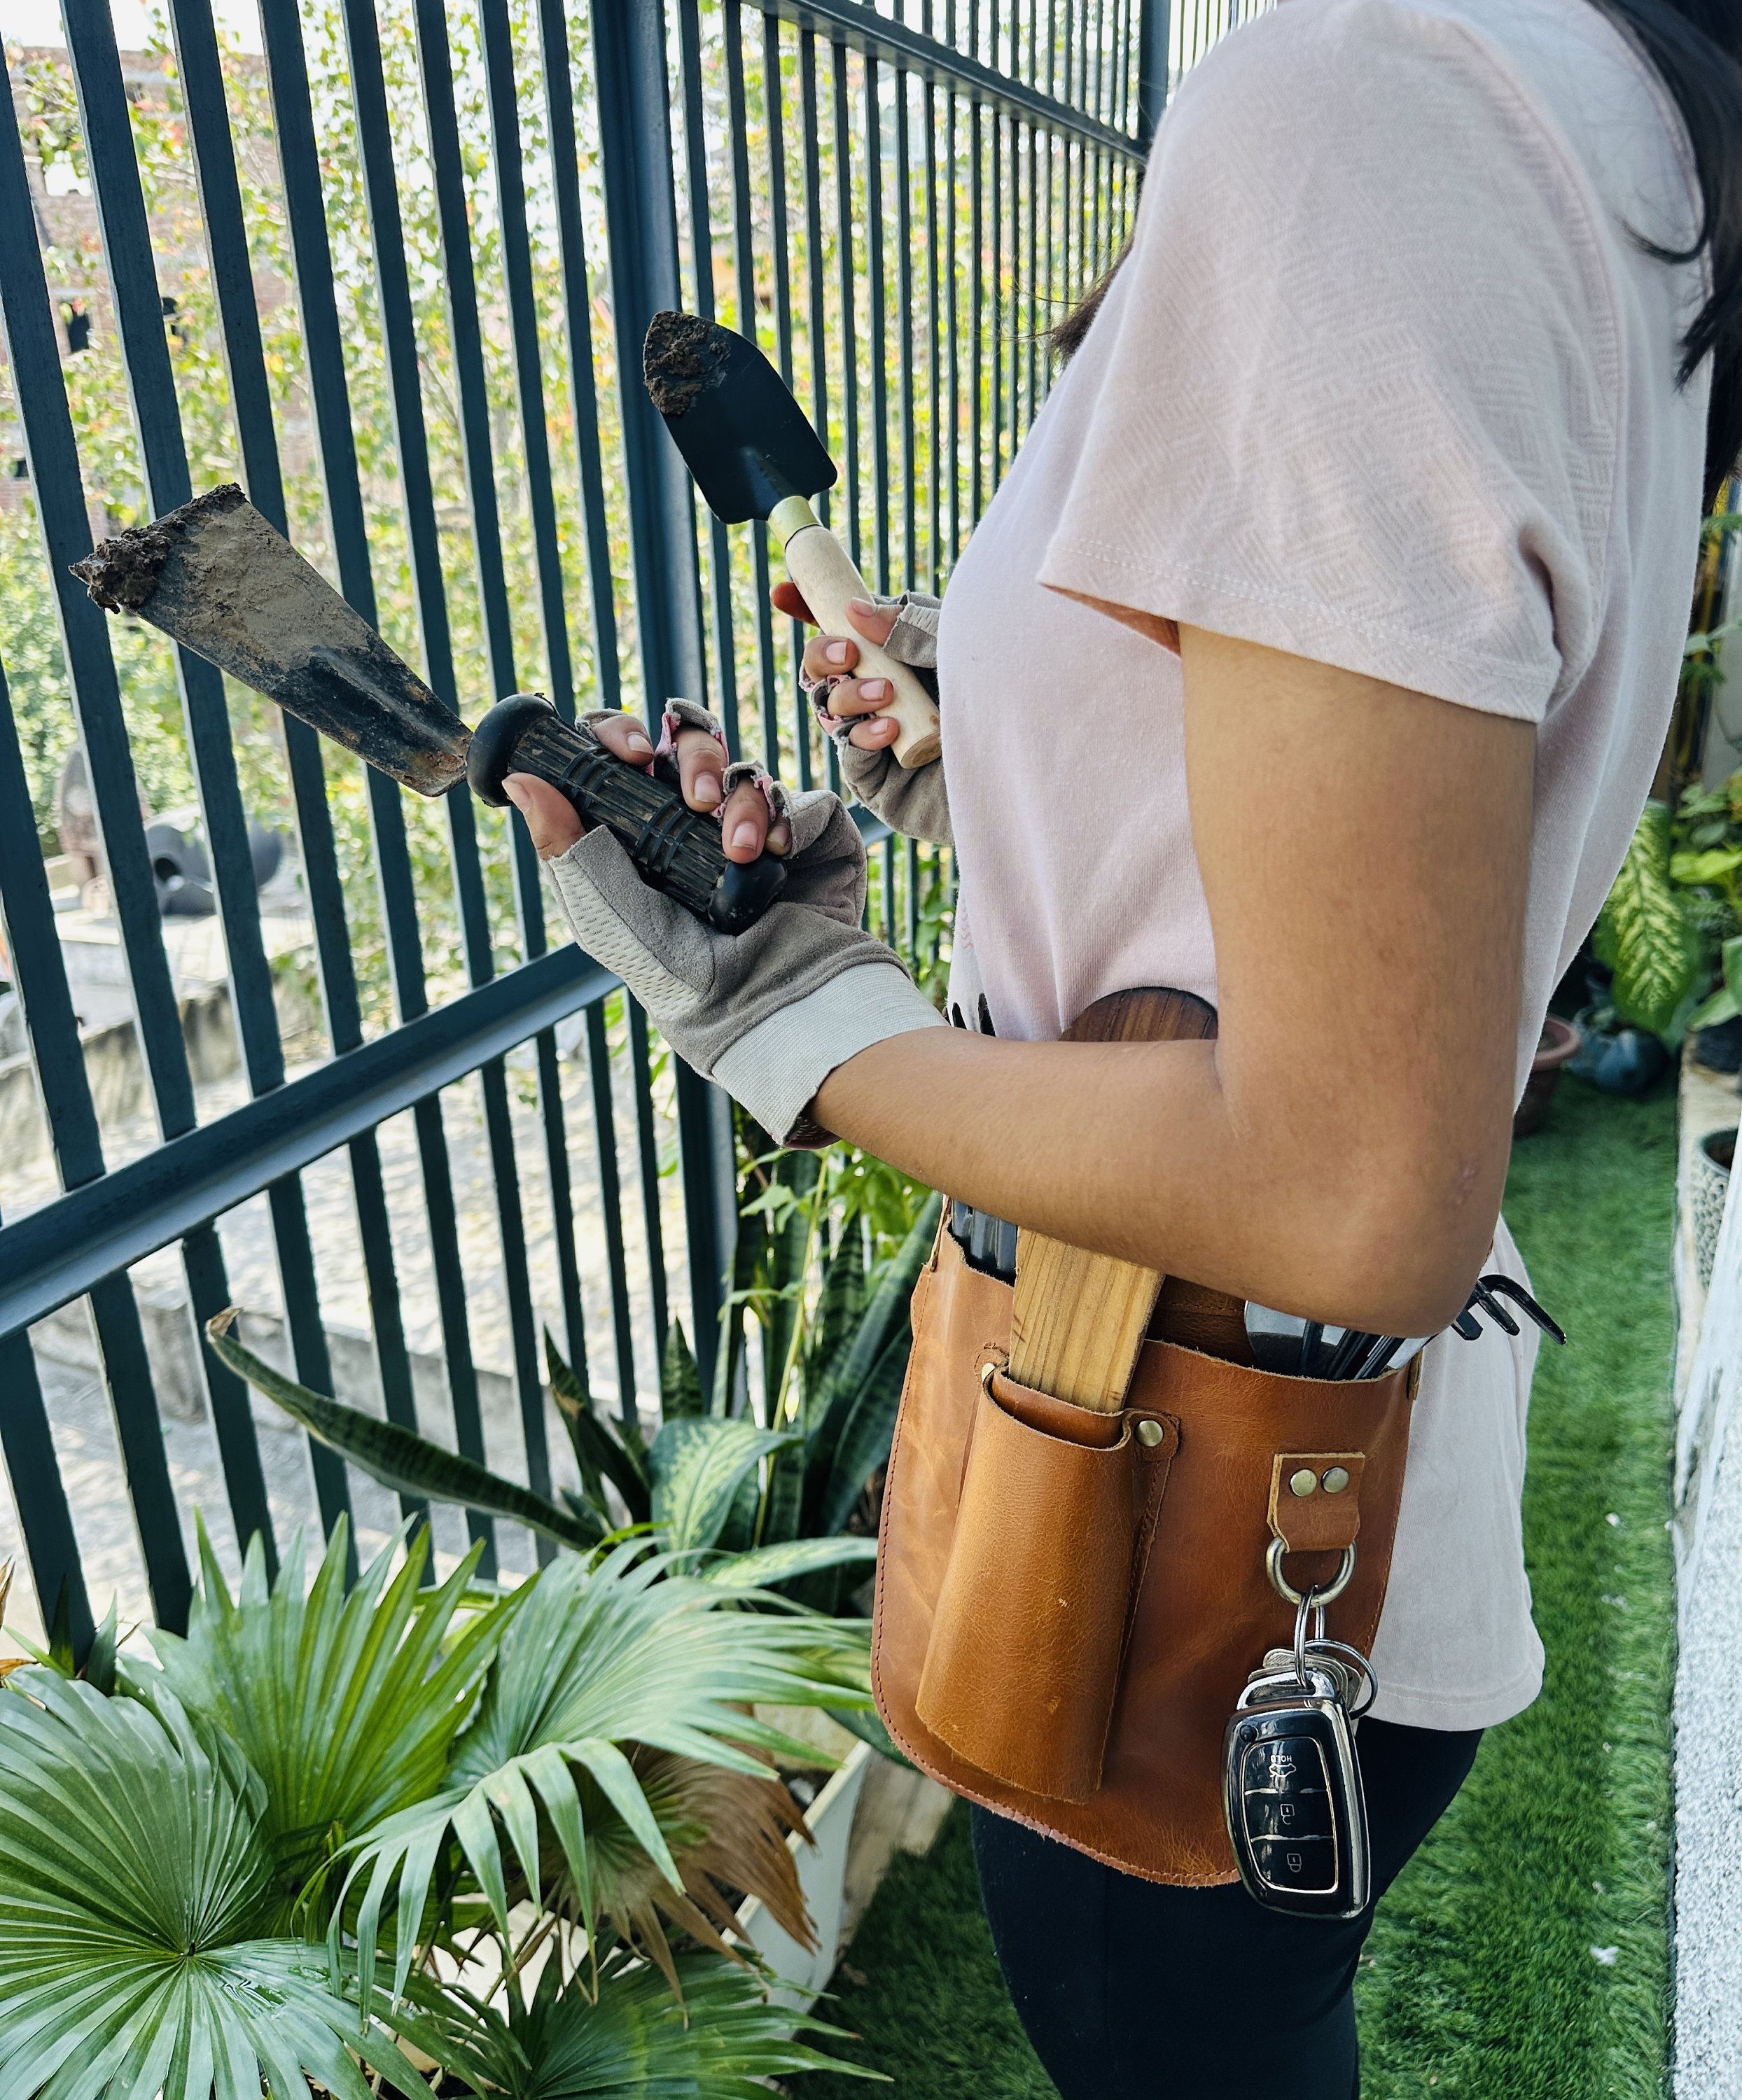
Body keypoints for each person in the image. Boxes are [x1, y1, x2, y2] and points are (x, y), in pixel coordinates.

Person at [503, 0, 1740, 2087]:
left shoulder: (1376, 107)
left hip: (1179, 1506)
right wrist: (996, 745)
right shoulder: (1626, 145)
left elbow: (1351, 1193)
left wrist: (793, 1017)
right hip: (1283, 1490)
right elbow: (1375, 842)